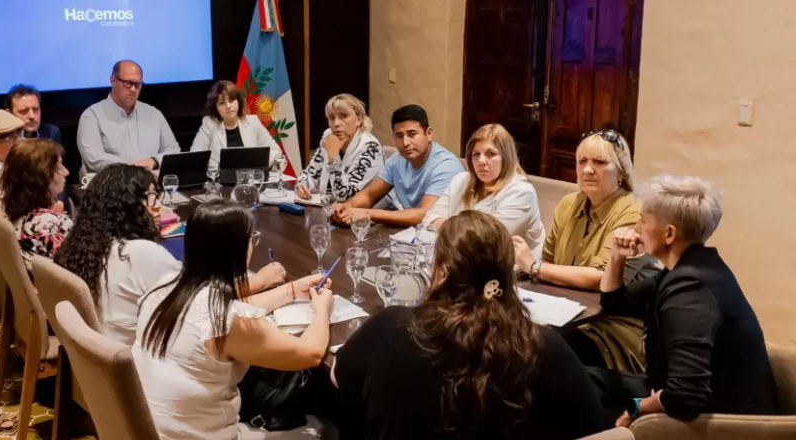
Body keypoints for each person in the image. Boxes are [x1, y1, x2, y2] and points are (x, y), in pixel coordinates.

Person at [332, 210, 608, 440]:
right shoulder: (542, 346)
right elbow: (594, 428)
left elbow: (339, 376)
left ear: (440, 271)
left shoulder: (392, 325)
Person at [132, 199, 335, 440]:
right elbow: (309, 353)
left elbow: (220, 307)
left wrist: (290, 290)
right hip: (202, 435)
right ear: (239, 249)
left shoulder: (166, 284)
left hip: (148, 429)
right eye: (252, 239)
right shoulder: (225, 321)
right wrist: (322, 309)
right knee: (326, 427)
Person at [594, 175, 777, 425]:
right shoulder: (688, 269)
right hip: (684, 396)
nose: (636, 227)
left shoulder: (691, 292)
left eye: (643, 220)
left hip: (729, 425)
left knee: (584, 400)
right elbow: (614, 303)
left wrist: (635, 409)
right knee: (581, 377)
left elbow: (685, 396)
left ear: (669, 234)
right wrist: (616, 256)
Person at [54, 165, 287, 346]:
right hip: (146, 367)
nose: (159, 206)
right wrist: (264, 283)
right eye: (153, 197)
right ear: (130, 205)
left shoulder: (88, 247)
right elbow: (208, 307)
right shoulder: (139, 255)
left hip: (108, 369)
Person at [510, 129, 645, 373]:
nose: (587, 170)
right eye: (582, 161)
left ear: (622, 171)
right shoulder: (567, 204)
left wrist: (535, 266)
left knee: (535, 354)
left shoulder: (633, 212)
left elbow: (600, 278)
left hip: (610, 326)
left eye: (600, 162)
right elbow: (549, 261)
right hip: (562, 313)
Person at [423, 123, 545, 258]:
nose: (481, 161)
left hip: (509, 272)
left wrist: (447, 226)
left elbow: (484, 241)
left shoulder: (521, 191)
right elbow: (429, 220)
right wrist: (461, 230)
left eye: (490, 154)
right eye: (476, 154)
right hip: (459, 259)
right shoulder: (461, 180)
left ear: (506, 157)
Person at [331, 105, 464, 227]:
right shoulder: (397, 160)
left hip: (447, 239)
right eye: (399, 136)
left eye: (412, 134)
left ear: (428, 134)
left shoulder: (446, 165)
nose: (405, 142)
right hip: (412, 235)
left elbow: (425, 214)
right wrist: (346, 208)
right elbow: (369, 195)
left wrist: (368, 213)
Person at [77, 60, 180, 174]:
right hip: (109, 186)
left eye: (137, 84)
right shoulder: (91, 116)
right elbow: (93, 160)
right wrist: (134, 167)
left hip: (150, 184)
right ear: (113, 81)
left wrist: (154, 161)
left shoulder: (153, 114)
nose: (133, 89)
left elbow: (173, 150)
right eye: (128, 83)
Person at [296, 94, 385, 203]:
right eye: (332, 118)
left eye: (343, 116)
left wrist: (333, 156)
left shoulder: (370, 147)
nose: (336, 124)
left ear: (359, 119)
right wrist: (303, 185)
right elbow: (309, 175)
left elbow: (345, 196)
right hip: (330, 209)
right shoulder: (328, 136)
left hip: (368, 214)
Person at [0, 139, 71, 266]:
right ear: (41, 177)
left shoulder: (13, 210)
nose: (66, 172)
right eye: (59, 167)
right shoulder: (57, 224)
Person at [190, 80, 281, 165]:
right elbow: (195, 157)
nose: (228, 106)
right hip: (220, 180)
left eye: (231, 100)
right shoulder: (209, 124)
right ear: (215, 108)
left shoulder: (252, 122)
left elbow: (275, 151)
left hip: (251, 178)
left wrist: (255, 163)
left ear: (238, 102)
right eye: (222, 103)